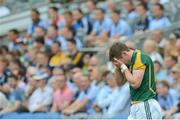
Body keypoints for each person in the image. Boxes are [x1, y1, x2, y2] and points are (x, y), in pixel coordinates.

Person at [109, 42, 162, 119]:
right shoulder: (131, 62)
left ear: (124, 54)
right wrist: (118, 67)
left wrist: (123, 67)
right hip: (136, 105)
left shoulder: (139, 57)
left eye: (120, 60)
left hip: (146, 103)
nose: (121, 63)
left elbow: (135, 83)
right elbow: (119, 82)